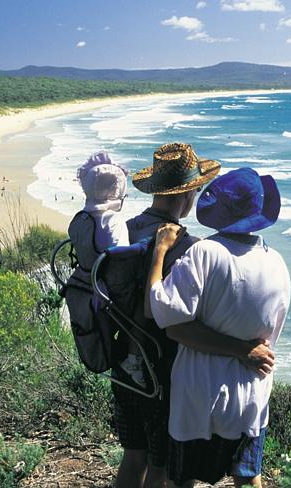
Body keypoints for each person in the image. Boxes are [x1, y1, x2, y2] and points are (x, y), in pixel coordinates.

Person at [114, 144, 276, 488]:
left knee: (133, 457)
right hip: (160, 371)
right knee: (162, 468)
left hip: (123, 363)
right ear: (188, 194)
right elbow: (161, 314)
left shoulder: (125, 231)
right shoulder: (185, 245)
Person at [147, 167, 291, 488]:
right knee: (248, 476)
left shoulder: (206, 252)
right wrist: (245, 350)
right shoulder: (277, 261)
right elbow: (269, 334)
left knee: (182, 479)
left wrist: (159, 253)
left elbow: (168, 317)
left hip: (200, 395)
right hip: (252, 394)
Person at [68, 151, 148, 387]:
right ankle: (134, 360)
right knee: (146, 305)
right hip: (109, 293)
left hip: (87, 282)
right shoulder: (112, 221)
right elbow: (123, 260)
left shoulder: (80, 218)